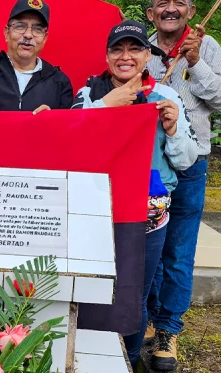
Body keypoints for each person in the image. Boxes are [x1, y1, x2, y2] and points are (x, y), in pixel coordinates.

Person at [72, 19, 198, 370]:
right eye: (117, 49)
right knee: (90, 288)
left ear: (147, 55)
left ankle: (126, 359)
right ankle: (84, 356)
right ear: (107, 55)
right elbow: (69, 141)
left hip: (147, 212)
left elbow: (187, 160)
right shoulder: (89, 94)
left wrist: (173, 129)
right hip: (96, 208)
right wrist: (105, 107)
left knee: (134, 293)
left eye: (134, 49)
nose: (125, 56)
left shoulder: (166, 97)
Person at [144, 0, 221, 371]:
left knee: (179, 250)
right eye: (162, 3)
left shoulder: (207, 47)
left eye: (178, 3)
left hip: (191, 163)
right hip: (150, 168)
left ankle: (168, 329)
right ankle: (147, 318)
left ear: (191, 11)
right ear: (151, 13)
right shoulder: (138, 48)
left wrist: (195, 64)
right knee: (149, 248)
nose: (170, 8)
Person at [0, 0, 73, 113]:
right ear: (6, 33)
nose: (28, 35)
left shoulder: (60, 83)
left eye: (37, 29)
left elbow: (69, 128)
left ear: (45, 38)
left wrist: (53, 121)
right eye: (20, 26)